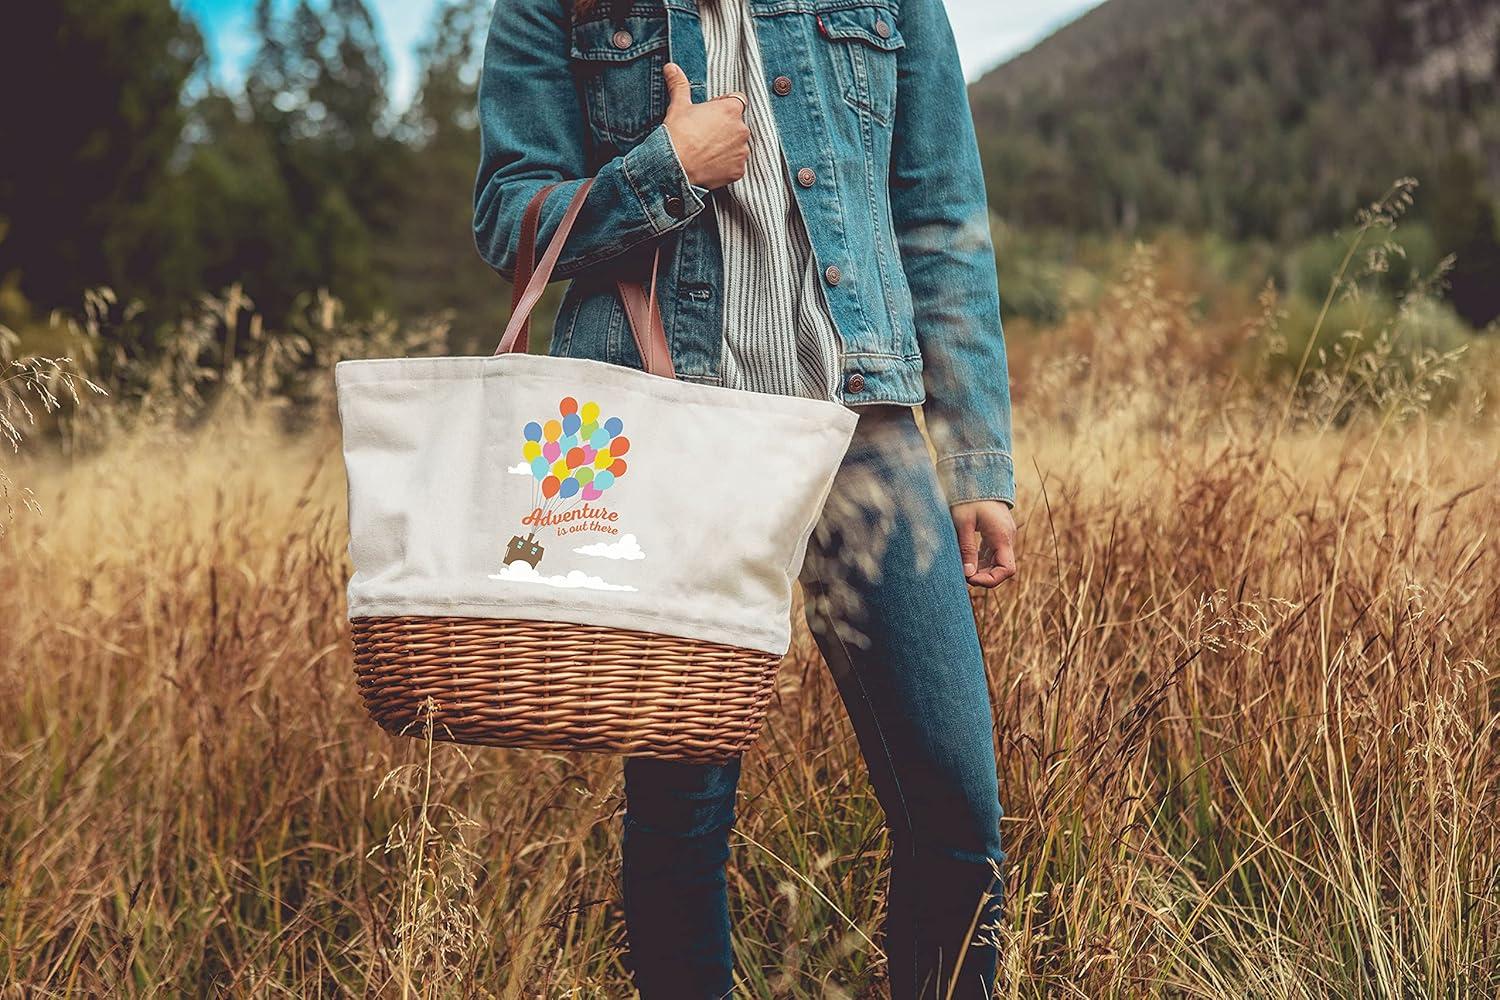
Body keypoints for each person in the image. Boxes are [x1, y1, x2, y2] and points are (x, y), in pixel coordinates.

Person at [474, 0, 1017, 995]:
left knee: (956, 808)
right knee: (682, 817)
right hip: (673, 435)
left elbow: (938, 212)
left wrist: (978, 457)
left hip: (864, 433)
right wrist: (663, 171)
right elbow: (508, 212)